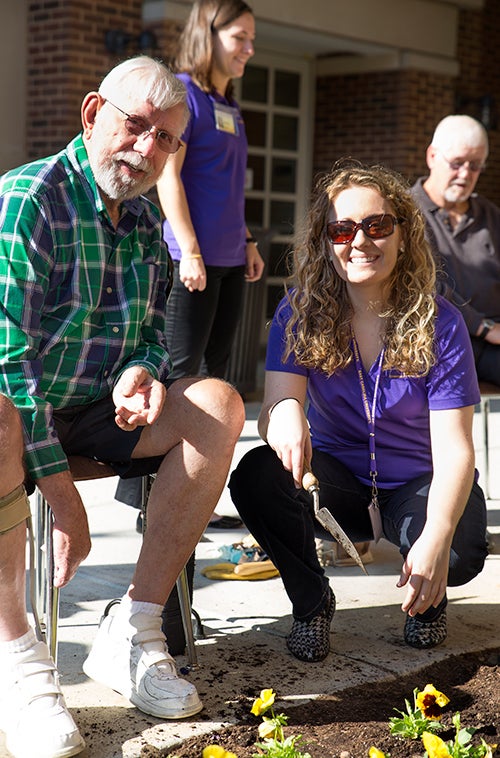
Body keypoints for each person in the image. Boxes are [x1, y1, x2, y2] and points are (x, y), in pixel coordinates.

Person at [0, 56, 245, 758]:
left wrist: (143, 371)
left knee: (219, 402)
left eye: (165, 139)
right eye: (135, 127)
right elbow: (11, 366)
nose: (147, 150)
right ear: (92, 114)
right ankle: (16, 658)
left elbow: (147, 334)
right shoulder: (31, 199)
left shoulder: (143, 225)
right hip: (16, 416)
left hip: (92, 411)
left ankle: (134, 628)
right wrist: (65, 503)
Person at [229, 160, 488, 664]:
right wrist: (283, 413)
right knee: (257, 476)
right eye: (343, 229)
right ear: (327, 240)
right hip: (339, 479)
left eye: (378, 225)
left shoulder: (443, 322)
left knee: (456, 555)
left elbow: (455, 448)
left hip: (419, 480)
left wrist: (435, 538)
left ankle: (428, 599)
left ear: (403, 233)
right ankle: (311, 604)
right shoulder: (299, 311)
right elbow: (278, 406)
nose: (360, 241)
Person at [116, 0, 264, 532]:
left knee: (214, 386)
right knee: (177, 380)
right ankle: (147, 501)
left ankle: (196, 491)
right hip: (189, 261)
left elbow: (227, 186)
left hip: (227, 260)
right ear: (211, 32)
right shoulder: (184, 95)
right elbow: (169, 179)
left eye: (252, 38)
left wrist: (246, 238)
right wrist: (191, 250)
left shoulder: (228, 103)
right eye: (240, 37)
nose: (249, 47)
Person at [411, 114, 500, 385]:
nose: (465, 174)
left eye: (474, 166)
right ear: (432, 157)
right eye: (457, 163)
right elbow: (423, 284)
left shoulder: (490, 215)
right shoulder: (405, 212)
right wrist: (483, 327)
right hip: (440, 338)